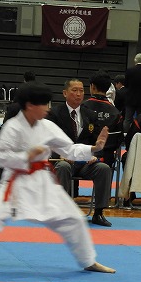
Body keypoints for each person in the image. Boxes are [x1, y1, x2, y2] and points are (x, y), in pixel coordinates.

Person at [0, 81, 115, 274]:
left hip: (42, 181)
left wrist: (94, 148)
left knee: (74, 218)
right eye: (44, 104)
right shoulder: (12, 127)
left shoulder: (47, 126)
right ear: (31, 105)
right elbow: (1, 158)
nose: (47, 109)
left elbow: (69, 149)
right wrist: (27, 156)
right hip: (15, 182)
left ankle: (89, 261)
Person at [46, 78, 114, 227]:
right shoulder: (54, 114)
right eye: (74, 90)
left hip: (84, 163)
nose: (78, 94)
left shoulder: (90, 114)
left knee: (103, 169)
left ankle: (98, 213)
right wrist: (60, 155)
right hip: (63, 160)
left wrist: (95, 155)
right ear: (65, 93)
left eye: (81, 90)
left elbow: (96, 142)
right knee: (63, 167)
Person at [82, 71, 123, 167]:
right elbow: (119, 139)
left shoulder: (81, 108)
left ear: (92, 86)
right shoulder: (116, 113)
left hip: (82, 157)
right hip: (106, 159)